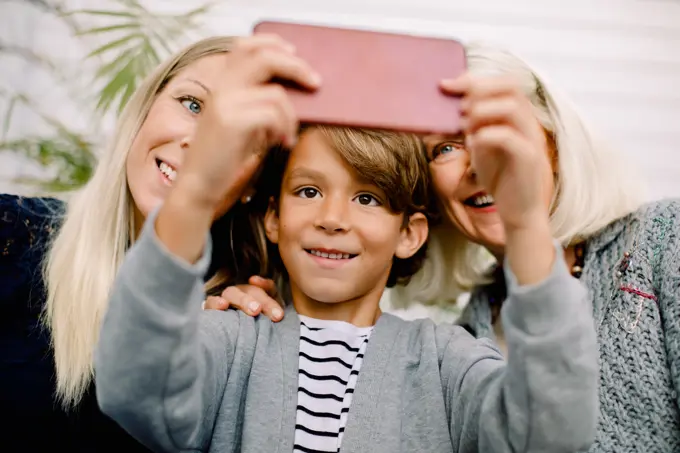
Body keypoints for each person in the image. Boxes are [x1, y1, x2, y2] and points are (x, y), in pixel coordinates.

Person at [94, 36, 599, 452]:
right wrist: (197, 190)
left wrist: (527, 223)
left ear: (410, 234)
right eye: (308, 191)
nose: (333, 219)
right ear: (273, 217)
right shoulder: (232, 340)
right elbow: (136, 390)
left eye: (368, 198)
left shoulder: (449, 361)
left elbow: (547, 435)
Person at [219, 41, 680, 452]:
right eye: (444, 148)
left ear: (553, 144)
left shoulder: (663, 237)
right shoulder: (467, 332)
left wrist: (528, 225)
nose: (478, 165)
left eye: (493, 133)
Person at [0, 34, 318, 451]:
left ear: (253, 186)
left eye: (238, 135)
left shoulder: (236, 322)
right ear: (146, 106)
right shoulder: (11, 233)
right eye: (193, 105)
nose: (201, 143)